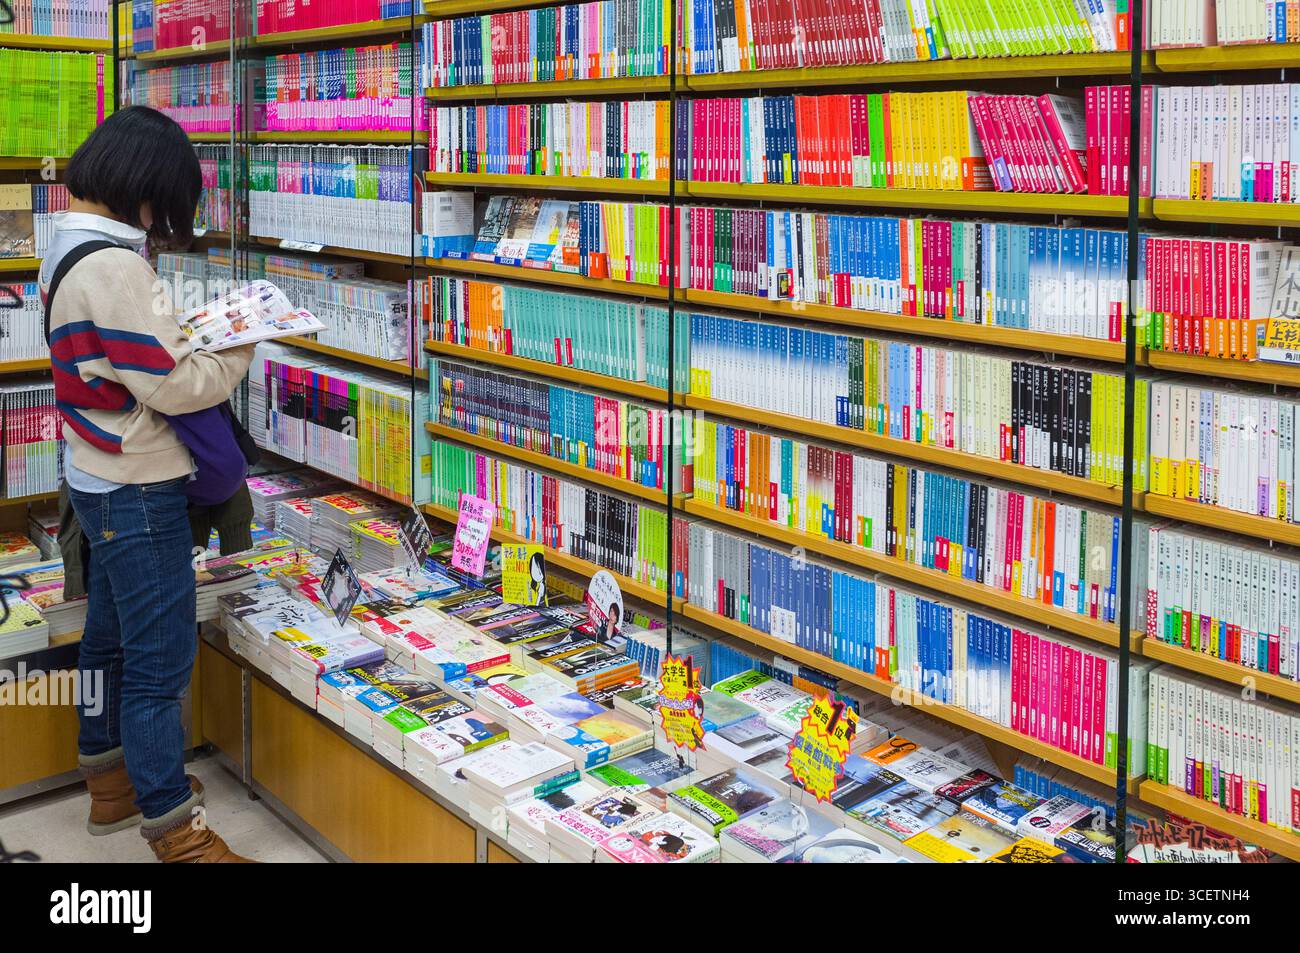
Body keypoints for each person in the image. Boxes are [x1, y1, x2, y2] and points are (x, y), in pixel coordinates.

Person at [42, 106, 255, 863]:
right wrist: (239, 344)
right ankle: (176, 828)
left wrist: (179, 335)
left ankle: (107, 778)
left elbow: (128, 360)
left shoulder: (65, 245)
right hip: (138, 483)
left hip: (93, 473)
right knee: (159, 661)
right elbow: (170, 385)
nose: (169, 219)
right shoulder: (116, 266)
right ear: (147, 184)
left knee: (107, 638)